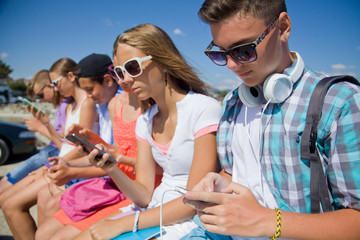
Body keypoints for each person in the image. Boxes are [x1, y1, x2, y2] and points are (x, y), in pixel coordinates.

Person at [182, 0, 360, 240]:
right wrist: (219, 182)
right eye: (220, 53)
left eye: (243, 50)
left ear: (283, 28)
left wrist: (269, 221)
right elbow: (235, 172)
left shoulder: (338, 102)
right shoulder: (233, 101)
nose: (232, 65)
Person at [74, 23, 222, 240]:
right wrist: (111, 168)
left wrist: (126, 223)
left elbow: (195, 200)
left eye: (132, 67)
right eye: (119, 71)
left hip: (188, 220)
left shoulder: (203, 108)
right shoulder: (145, 120)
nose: (124, 79)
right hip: (153, 212)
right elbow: (143, 195)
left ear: (162, 61)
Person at [35, 53, 143, 239]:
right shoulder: (112, 105)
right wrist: (89, 142)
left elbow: (122, 157)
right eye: (119, 72)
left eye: (90, 89)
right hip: (114, 177)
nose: (89, 95)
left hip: (125, 183)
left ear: (108, 80)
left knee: (49, 214)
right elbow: (114, 149)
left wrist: (72, 169)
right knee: (43, 230)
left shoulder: (130, 105)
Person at [0, 57, 98, 240]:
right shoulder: (71, 106)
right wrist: (47, 125)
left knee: (12, 205)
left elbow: (81, 148)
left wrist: (51, 167)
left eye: (55, 82)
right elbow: (65, 146)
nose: (54, 87)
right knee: (6, 201)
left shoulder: (87, 103)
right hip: (64, 161)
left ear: (70, 76)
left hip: (72, 166)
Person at [0, 70, 68, 196]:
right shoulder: (62, 105)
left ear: (50, 86)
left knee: (5, 188)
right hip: (51, 151)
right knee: (5, 185)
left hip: (53, 153)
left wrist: (41, 127)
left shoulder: (66, 105)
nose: (41, 100)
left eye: (41, 95)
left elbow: (66, 143)